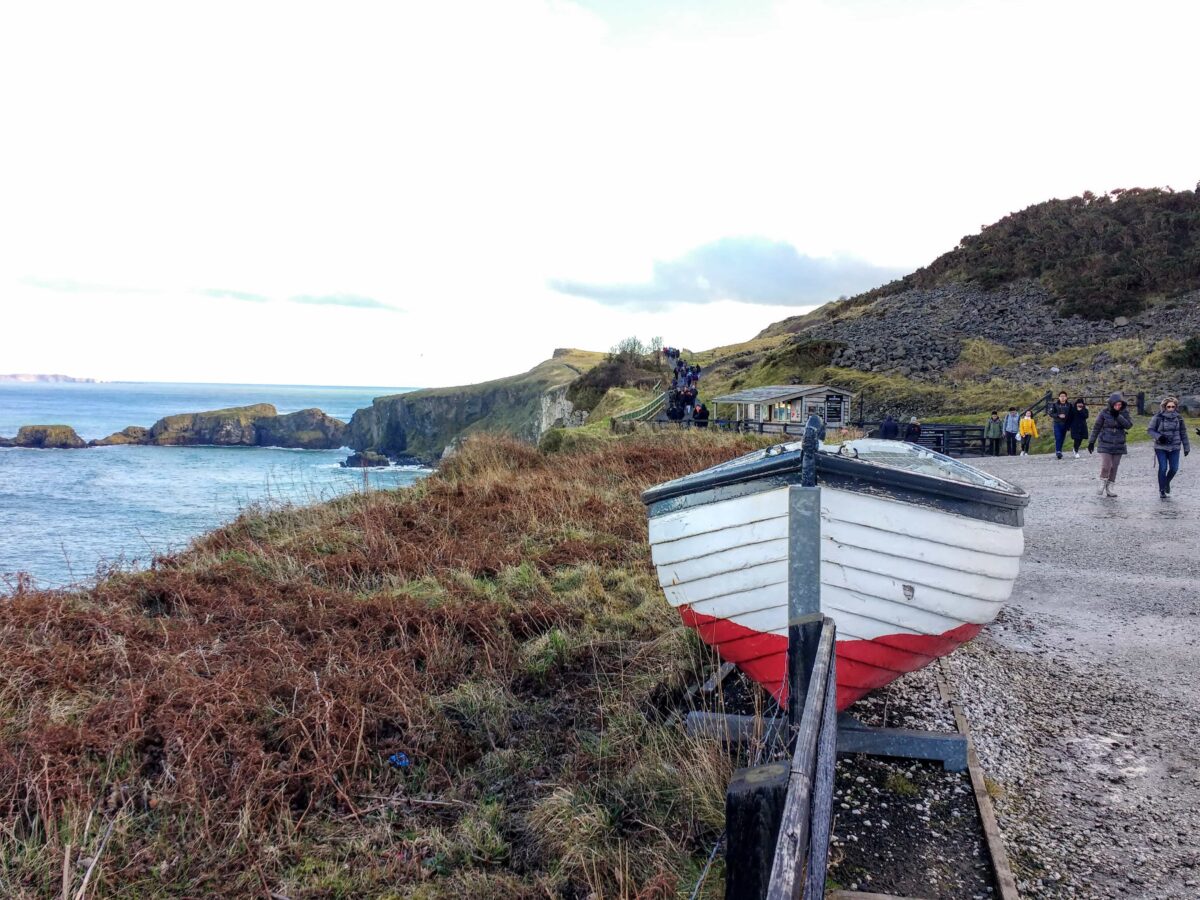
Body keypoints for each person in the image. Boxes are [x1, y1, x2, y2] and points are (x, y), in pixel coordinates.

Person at [1087, 392, 1133, 497]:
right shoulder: (1104, 413)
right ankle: (1102, 482)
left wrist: (1118, 416)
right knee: (1106, 466)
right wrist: (1091, 442)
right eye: (1116, 405)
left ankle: (1110, 487)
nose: (1118, 406)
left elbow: (1128, 425)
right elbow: (1097, 427)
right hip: (1105, 443)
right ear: (1111, 404)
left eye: (1119, 405)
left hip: (1119, 443)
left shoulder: (1124, 413)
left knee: (1114, 466)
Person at [1146, 396, 1190, 499]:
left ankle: (1166, 482)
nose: (1170, 408)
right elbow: (1150, 430)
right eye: (1168, 406)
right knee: (1163, 467)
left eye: (1173, 406)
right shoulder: (1158, 417)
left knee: (1174, 468)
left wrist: (1186, 447)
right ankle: (1162, 490)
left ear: (1176, 407)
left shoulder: (1179, 418)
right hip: (1160, 447)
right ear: (1164, 407)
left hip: (1175, 447)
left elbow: (1183, 433)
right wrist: (1159, 437)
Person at [1048, 391, 1073, 459]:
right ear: (1059, 397)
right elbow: (1050, 413)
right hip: (1057, 423)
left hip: (1066, 424)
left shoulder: (1069, 405)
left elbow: (1072, 414)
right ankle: (1058, 451)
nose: (1062, 398)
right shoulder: (1055, 404)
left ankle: (1059, 450)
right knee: (1058, 437)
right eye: (1061, 396)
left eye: (1064, 396)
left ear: (1066, 397)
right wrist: (1058, 415)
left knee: (1062, 438)